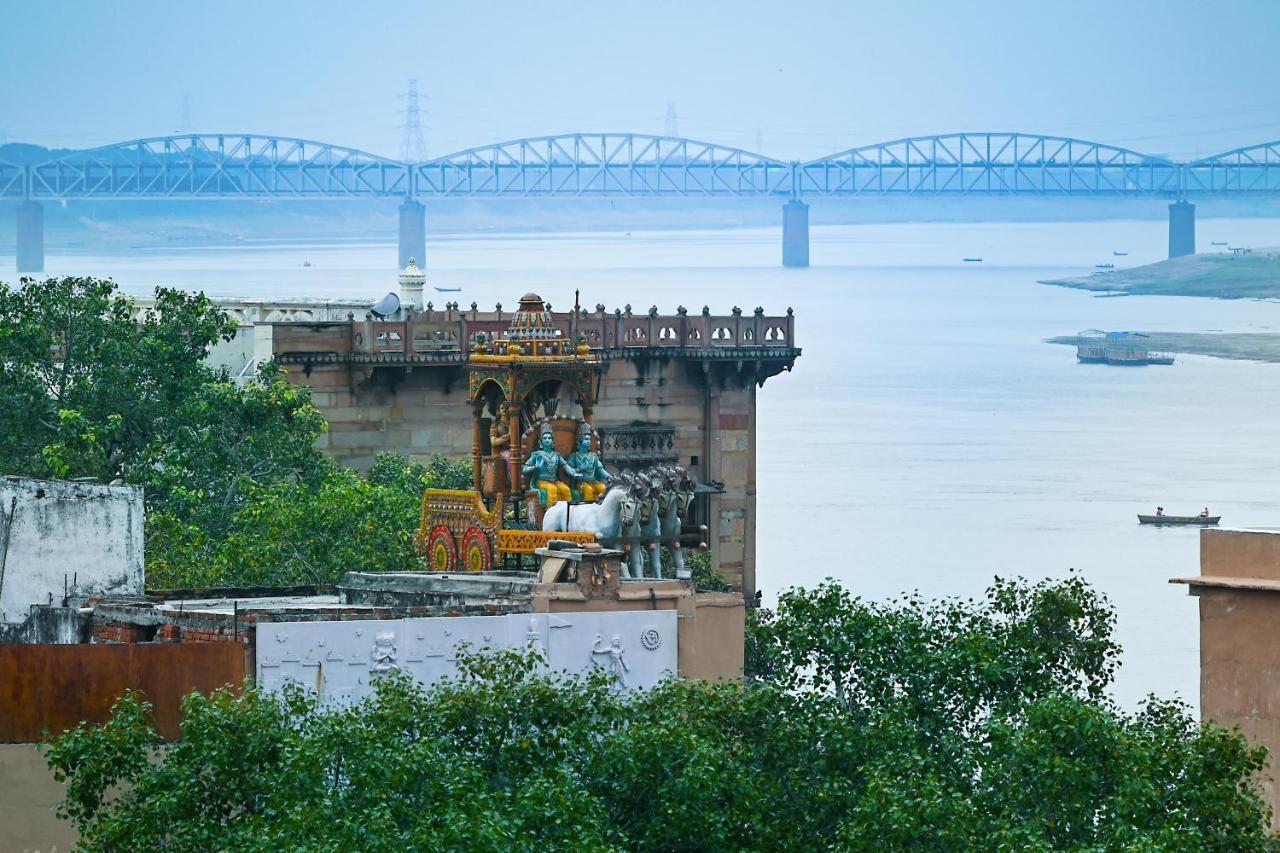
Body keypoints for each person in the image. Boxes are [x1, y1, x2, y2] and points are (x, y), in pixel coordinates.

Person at [522, 421, 579, 507]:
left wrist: (574, 472)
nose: (547, 440)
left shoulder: (556, 455)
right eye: (545, 438)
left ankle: (568, 513)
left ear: (552, 441)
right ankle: (551, 514)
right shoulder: (537, 454)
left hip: (554, 481)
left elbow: (566, 467)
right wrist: (534, 467)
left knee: (566, 489)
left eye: (549, 438)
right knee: (552, 489)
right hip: (541, 482)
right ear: (541, 441)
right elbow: (524, 469)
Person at [567, 426, 612, 502]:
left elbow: (600, 470)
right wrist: (580, 469)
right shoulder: (573, 456)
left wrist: (608, 476)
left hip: (593, 481)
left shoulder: (593, 456)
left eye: (589, 439)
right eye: (586, 439)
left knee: (603, 488)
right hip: (579, 483)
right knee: (588, 490)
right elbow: (570, 471)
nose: (588, 441)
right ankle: (587, 510)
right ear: (579, 441)